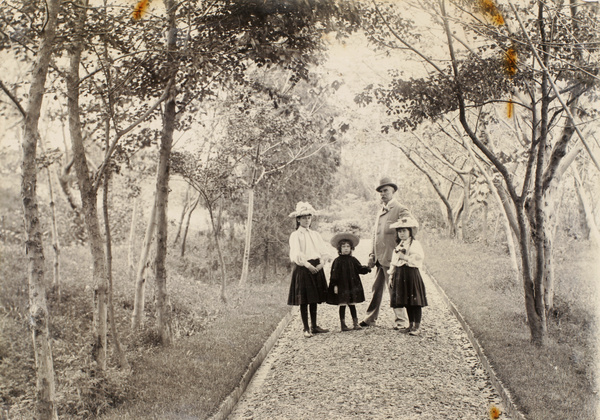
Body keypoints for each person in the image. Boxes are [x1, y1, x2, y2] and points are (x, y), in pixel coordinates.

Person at [360, 177, 412, 328]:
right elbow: (375, 235)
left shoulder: (401, 209)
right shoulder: (380, 211)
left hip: (392, 259)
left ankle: (401, 321)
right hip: (379, 258)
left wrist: (402, 251)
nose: (382, 194)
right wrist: (371, 254)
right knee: (376, 288)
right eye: (380, 191)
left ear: (393, 192)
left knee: (394, 289)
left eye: (386, 191)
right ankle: (370, 319)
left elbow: (410, 230)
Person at [287, 201, 332, 338]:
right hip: (303, 268)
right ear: (298, 219)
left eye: (309, 217)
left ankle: (314, 326)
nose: (307, 220)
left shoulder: (315, 235)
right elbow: (295, 254)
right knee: (304, 299)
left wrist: (321, 263)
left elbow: (323, 250)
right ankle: (306, 328)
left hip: (316, 266)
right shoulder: (296, 235)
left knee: (314, 298)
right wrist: (307, 265)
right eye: (304, 217)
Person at [388, 216, 427, 336]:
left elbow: (418, 258)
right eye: (399, 231)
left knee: (415, 300)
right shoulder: (399, 245)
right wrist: (391, 275)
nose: (402, 234)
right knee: (407, 300)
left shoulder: (414, 244)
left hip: (411, 273)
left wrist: (404, 257)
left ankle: (417, 326)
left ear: (410, 231)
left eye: (404, 231)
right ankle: (410, 325)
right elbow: (394, 261)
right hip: (401, 273)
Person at [326, 232, 371, 332]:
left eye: (348, 246)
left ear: (351, 248)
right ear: (339, 248)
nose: (346, 248)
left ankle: (355, 323)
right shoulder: (337, 261)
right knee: (342, 304)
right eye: (343, 246)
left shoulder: (353, 260)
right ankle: (343, 325)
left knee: (352, 304)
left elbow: (359, 269)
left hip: (351, 285)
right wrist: (335, 285)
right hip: (342, 286)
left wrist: (367, 268)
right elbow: (333, 275)